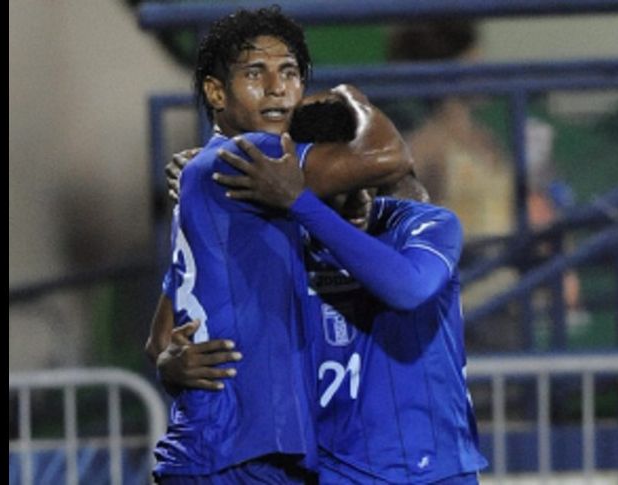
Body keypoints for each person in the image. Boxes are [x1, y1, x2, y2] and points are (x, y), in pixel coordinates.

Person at [159, 95, 489, 484]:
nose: (357, 200)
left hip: (435, 472)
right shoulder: (280, 244)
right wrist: (171, 366)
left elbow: (408, 288)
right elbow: (165, 335)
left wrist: (302, 203)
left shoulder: (423, 226)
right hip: (332, 470)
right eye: (340, 186)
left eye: (363, 183)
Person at [147, 6, 414, 484]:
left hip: (237, 451)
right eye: (255, 73)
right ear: (215, 92)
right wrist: (349, 95)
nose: (277, 88)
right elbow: (388, 156)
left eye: (289, 73)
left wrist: (171, 364)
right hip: (236, 453)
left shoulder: (208, 182)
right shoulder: (249, 160)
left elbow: (160, 340)